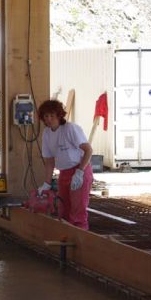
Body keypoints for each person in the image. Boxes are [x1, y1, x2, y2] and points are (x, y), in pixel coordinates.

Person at [38, 99, 93, 230]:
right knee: (64, 210)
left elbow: (88, 150)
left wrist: (80, 172)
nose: (49, 119)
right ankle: (67, 241)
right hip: (64, 172)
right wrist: (47, 183)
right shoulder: (46, 133)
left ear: (59, 115)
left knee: (78, 210)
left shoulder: (70, 128)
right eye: (46, 116)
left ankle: (81, 241)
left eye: (52, 115)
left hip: (79, 169)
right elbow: (49, 161)